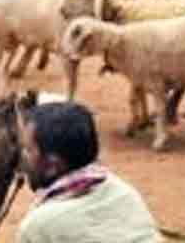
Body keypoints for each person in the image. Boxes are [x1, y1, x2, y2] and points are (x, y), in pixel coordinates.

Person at [17, 102, 161, 243]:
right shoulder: (125, 193)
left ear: (52, 165)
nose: (21, 157)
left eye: (28, 150)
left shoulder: (38, 226)